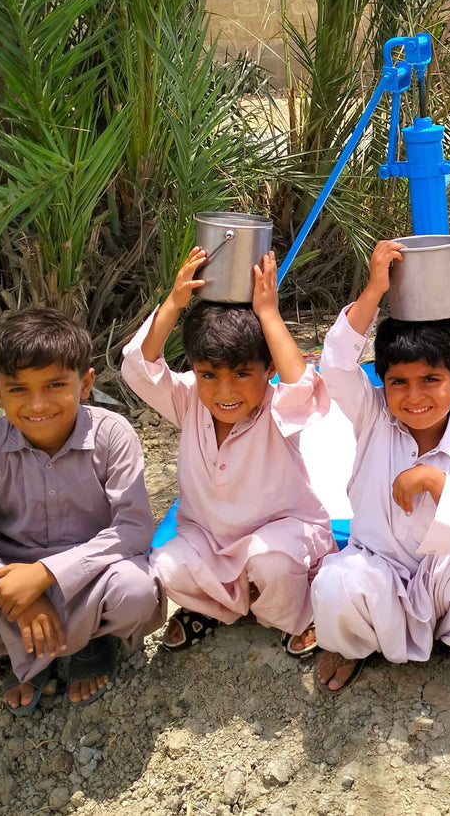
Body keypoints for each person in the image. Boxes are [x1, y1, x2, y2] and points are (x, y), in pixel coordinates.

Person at [310, 240, 450, 694]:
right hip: (377, 570)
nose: (415, 396)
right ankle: (349, 644)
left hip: (442, 581)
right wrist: (373, 292)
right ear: (381, 384)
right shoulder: (372, 419)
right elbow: (335, 366)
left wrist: (432, 480)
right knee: (336, 583)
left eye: (431, 380)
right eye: (398, 382)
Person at [121, 247, 334, 658]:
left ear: (267, 370)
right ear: (195, 371)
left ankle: (297, 615)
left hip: (280, 537)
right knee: (165, 566)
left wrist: (268, 313)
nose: (225, 392)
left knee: (269, 561)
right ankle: (224, 609)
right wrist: (175, 301)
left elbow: (303, 388)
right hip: (210, 540)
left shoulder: (278, 408)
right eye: (209, 375)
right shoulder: (188, 400)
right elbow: (139, 368)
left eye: (241, 374)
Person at [0, 309, 164, 713]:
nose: (38, 404)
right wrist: (10, 594)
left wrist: (47, 574)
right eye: (18, 389)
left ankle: (87, 645)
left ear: (85, 383)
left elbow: (134, 527)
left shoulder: (112, 435)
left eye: (55, 385)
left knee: (138, 590)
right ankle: (29, 653)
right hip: (12, 582)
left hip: (90, 577)